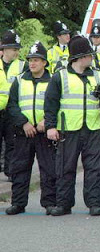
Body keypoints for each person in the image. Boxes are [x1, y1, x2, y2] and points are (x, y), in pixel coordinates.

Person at [45, 36, 100, 216]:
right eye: (89, 55)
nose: (92, 57)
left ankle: (94, 204)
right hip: (68, 130)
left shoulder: (97, 75)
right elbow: (50, 104)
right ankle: (64, 205)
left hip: (93, 128)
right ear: (80, 57)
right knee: (65, 168)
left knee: (95, 169)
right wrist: (51, 126)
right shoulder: (60, 77)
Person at [5, 42, 56, 215]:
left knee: (49, 169)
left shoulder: (52, 80)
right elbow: (11, 105)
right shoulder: (19, 80)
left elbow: (57, 104)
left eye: (36, 60)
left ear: (44, 63)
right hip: (23, 132)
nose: (32, 63)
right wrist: (23, 123)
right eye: (30, 60)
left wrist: (46, 122)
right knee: (19, 168)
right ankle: (18, 203)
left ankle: (49, 202)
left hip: (43, 132)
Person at [0, 30, 28, 179]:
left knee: (12, 143)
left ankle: (10, 172)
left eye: (18, 49)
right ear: (4, 49)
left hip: (12, 111)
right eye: (14, 49)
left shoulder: (23, 66)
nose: (16, 53)